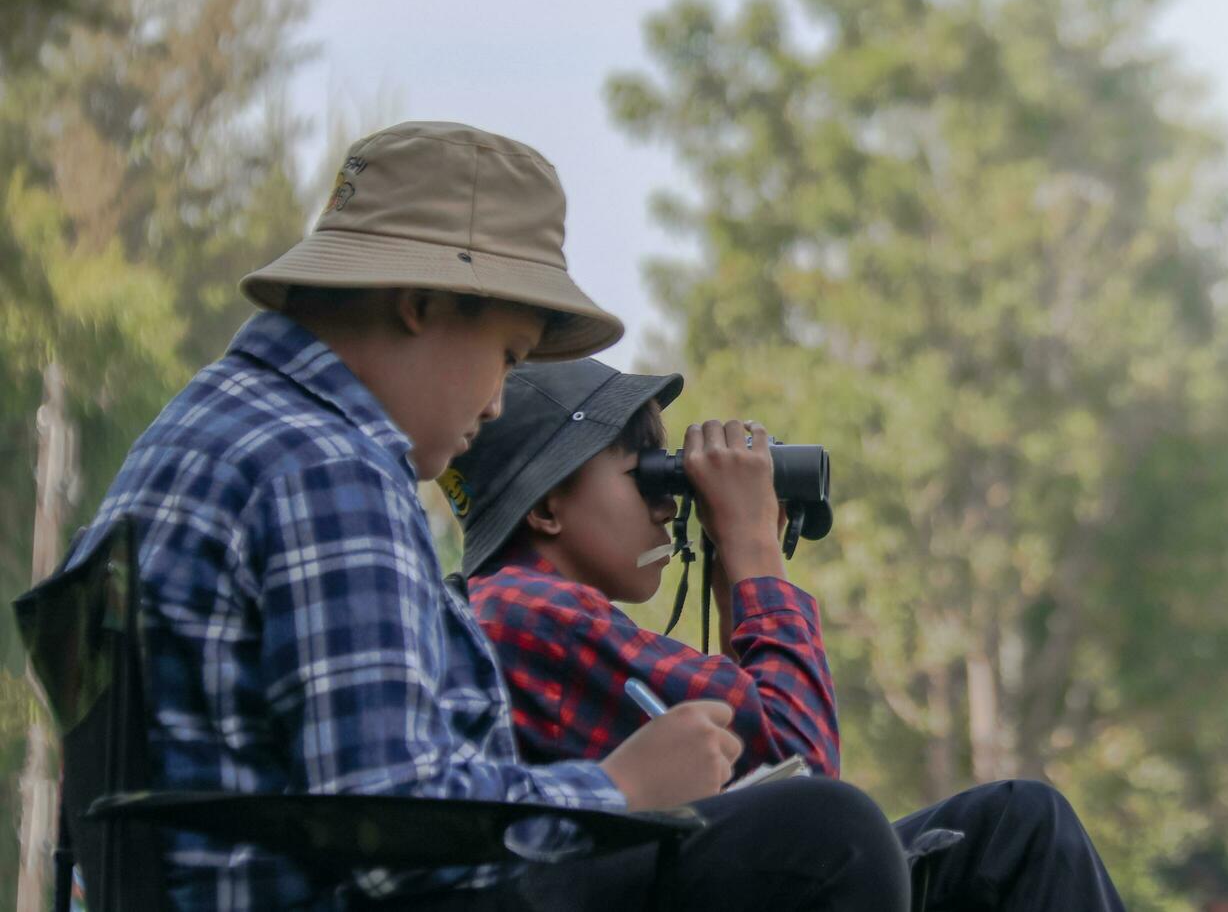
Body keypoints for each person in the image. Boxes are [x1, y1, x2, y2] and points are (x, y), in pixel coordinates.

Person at [59, 120, 909, 911]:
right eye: (506, 354)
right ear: (422, 303)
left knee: (953, 830)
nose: (501, 403)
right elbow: (390, 817)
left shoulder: (219, 426)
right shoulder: (325, 467)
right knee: (825, 835)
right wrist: (620, 790)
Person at [449, 357, 1128, 912]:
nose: (667, 502)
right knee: (856, 831)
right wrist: (750, 549)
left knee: (1017, 826)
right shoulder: (527, 611)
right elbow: (804, 787)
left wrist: (740, 587)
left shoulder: (526, 612)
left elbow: (759, 782)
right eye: (645, 475)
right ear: (544, 505)